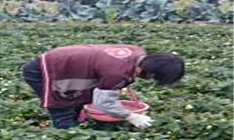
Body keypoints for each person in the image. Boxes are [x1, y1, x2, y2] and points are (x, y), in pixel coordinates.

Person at [22, 45, 185, 130]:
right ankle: (67, 139)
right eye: (154, 77)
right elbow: (103, 103)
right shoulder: (117, 71)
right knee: (62, 105)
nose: (151, 80)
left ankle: (74, 125)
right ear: (150, 70)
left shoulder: (137, 53)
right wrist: (130, 116)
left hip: (64, 63)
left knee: (76, 101)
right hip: (43, 69)